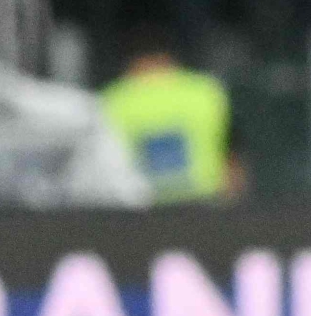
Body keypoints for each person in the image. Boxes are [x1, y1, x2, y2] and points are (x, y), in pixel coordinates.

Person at [99, 36, 239, 203]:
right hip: (206, 206)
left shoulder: (110, 99)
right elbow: (233, 157)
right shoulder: (206, 90)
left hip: (137, 213)